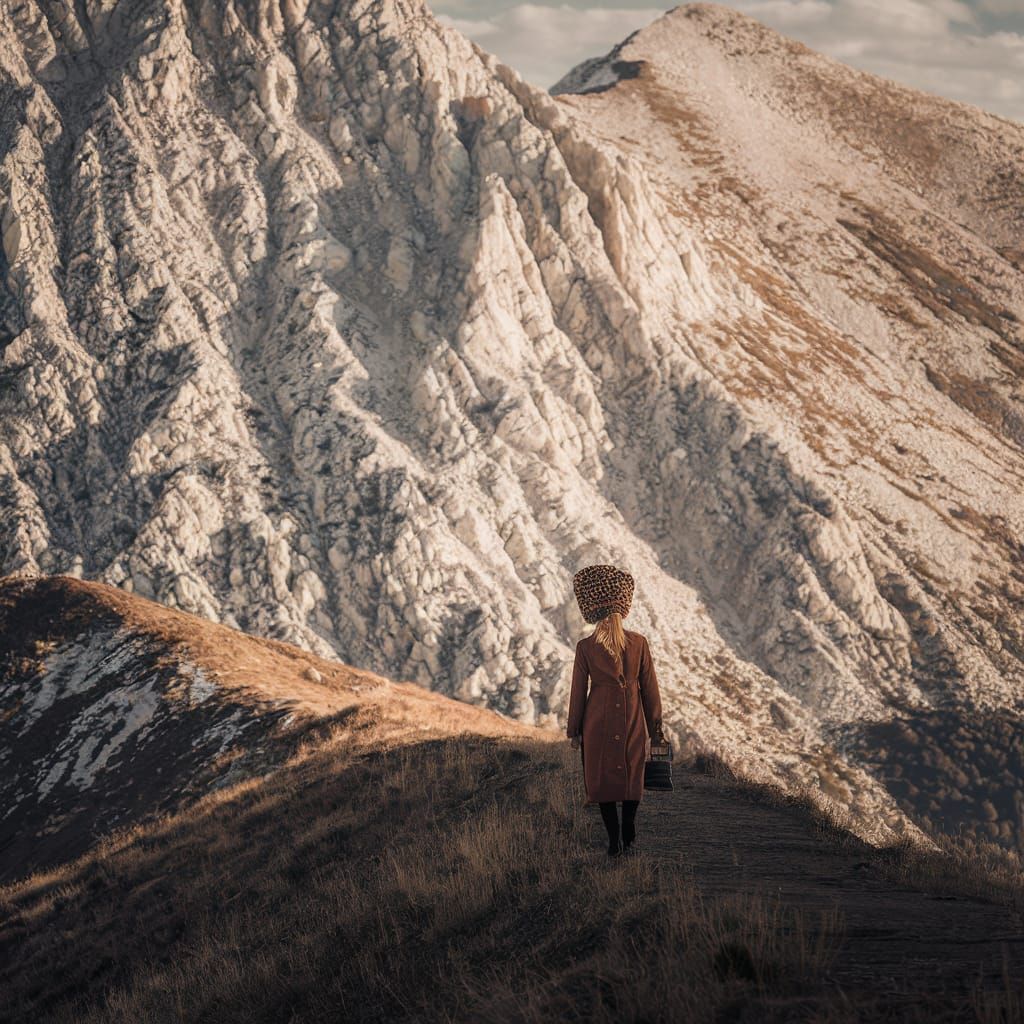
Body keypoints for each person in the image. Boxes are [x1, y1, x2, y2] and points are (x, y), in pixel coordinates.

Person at [566, 564, 665, 857]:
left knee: (602, 778)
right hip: (634, 717)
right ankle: (629, 828)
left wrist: (574, 731)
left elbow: (577, 693)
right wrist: (656, 728)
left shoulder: (586, 647)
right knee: (633, 772)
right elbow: (650, 690)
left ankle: (614, 841)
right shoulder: (639, 644)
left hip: (597, 719)